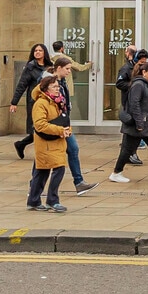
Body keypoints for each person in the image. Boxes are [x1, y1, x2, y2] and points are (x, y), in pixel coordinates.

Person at [109, 57, 148, 182]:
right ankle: (116, 172)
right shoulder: (138, 85)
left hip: (146, 124)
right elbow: (134, 104)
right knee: (126, 150)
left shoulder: (144, 85)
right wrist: (139, 123)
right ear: (144, 72)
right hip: (138, 125)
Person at [43, 59, 94, 195]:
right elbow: (42, 100)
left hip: (63, 123)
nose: (69, 71)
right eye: (67, 69)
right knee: (44, 156)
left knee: (73, 149)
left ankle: (79, 182)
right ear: (58, 68)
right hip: (53, 124)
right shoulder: (48, 81)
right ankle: (34, 187)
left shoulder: (63, 82)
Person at [26, 76, 70, 213]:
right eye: (54, 87)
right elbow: (39, 125)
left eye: (58, 87)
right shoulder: (41, 103)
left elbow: (63, 119)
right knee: (58, 169)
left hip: (56, 141)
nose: (58, 89)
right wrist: (60, 130)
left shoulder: (57, 102)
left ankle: (33, 200)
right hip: (46, 143)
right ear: (46, 89)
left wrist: (66, 130)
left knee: (42, 171)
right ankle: (52, 200)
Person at [8, 44, 50, 159]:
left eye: (40, 50)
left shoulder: (49, 66)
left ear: (44, 53)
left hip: (48, 101)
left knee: (44, 127)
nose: (37, 52)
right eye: (35, 50)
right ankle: (39, 152)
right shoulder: (30, 67)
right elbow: (22, 85)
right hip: (34, 101)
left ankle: (21, 144)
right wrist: (14, 102)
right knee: (36, 128)